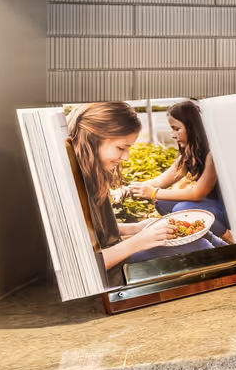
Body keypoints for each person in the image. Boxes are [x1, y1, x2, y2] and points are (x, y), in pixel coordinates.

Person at [66, 101, 177, 273]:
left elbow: (96, 231)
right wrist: (138, 241)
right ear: (92, 140)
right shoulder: (67, 187)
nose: (126, 157)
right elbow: (81, 268)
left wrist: (138, 227)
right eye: (121, 148)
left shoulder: (93, 177)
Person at [128, 100, 232, 243]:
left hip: (227, 210)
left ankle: (227, 238)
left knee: (181, 208)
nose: (172, 134)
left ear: (193, 128)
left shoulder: (211, 155)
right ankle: (199, 235)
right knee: (162, 202)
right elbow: (160, 181)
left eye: (176, 129)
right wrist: (130, 189)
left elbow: (197, 193)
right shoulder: (189, 155)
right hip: (210, 206)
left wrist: (152, 193)